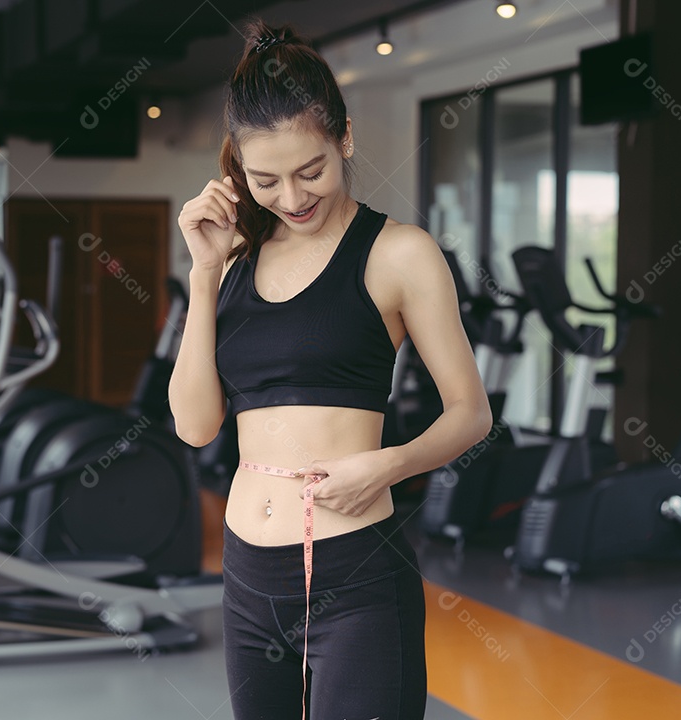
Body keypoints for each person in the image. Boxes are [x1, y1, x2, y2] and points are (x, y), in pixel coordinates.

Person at [169, 21, 492, 720]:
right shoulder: (234, 263)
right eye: (265, 180)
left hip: (355, 573)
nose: (291, 197)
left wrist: (390, 465)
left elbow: (471, 411)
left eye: (310, 170)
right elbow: (195, 427)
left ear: (344, 137)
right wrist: (202, 273)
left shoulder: (399, 254)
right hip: (248, 575)